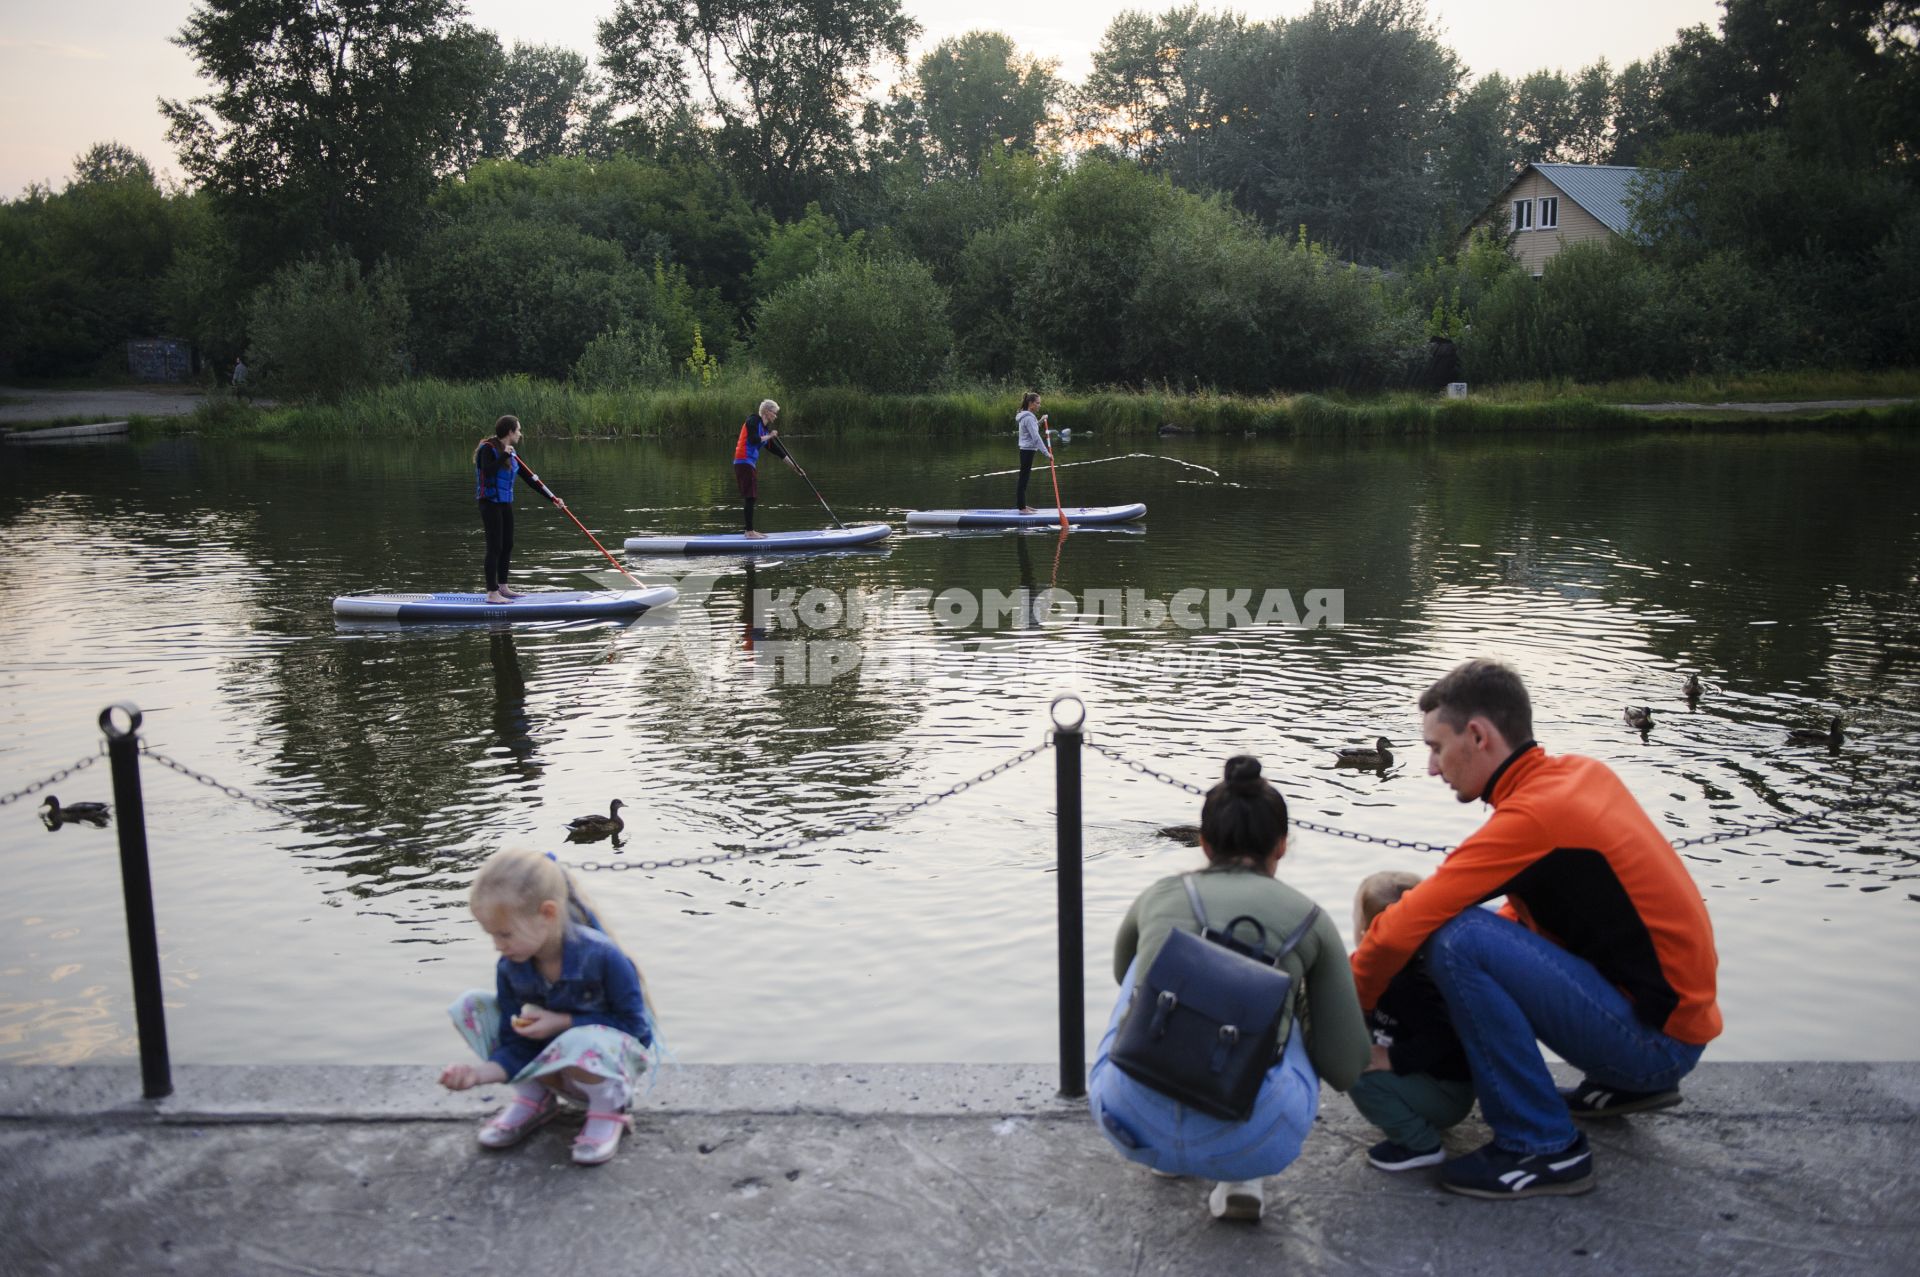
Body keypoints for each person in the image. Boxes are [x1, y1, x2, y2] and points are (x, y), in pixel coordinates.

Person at [1351, 658, 1722, 1199]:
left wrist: (1348, 1008)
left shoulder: (1536, 816)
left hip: (1655, 1047)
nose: (1432, 767)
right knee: (1476, 935)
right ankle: (1620, 1087)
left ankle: (1541, 1145)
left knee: (1454, 939)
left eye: (1435, 747)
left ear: (1477, 735)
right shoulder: (1576, 776)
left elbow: (1404, 923)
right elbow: (1537, 922)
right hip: (1670, 1030)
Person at [1089, 756, 1369, 1222]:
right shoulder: (1309, 920)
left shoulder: (1160, 894)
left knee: (1146, 963)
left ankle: (1164, 1149)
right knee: (1285, 993)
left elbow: (1124, 976)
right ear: (1281, 846)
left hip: (1128, 1121)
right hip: (1256, 1138)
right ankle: (1241, 1177)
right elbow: (1345, 1066)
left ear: (1203, 843)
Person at [439, 849, 655, 1166]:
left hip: (604, 1069)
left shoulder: (603, 957)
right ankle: (535, 1097)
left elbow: (638, 1032)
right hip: (547, 1065)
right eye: (492, 935)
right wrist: (476, 1075)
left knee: (579, 1038)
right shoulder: (511, 966)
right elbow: (513, 1041)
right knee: (470, 1006)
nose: (498, 945)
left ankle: (609, 1110)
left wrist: (564, 1022)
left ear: (548, 914)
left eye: (505, 933)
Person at [1346, 871, 1475, 1172]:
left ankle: (1419, 1143)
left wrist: (1391, 1058)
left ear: (1367, 930)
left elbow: (1444, 1036)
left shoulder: (1412, 985)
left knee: (1354, 1073)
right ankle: (1411, 1110)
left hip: (1447, 1092)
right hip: (1432, 1080)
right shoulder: (1405, 969)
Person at [474, 415, 563, 604]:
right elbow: (487, 471)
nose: (520, 434)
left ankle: (503, 587)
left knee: (508, 544)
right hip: (489, 503)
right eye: (519, 430)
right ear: (510, 432)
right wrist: (504, 455)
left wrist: (552, 498)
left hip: (505, 503)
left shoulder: (513, 454)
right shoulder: (487, 449)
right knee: (494, 546)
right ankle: (492, 593)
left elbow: (531, 479)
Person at [733, 398, 803, 539]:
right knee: (750, 497)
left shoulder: (764, 430)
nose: (775, 416)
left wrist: (795, 468)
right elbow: (753, 439)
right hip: (743, 462)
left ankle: (749, 530)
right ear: (766, 412)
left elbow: (779, 453)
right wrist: (770, 436)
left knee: (751, 497)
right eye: (774, 413)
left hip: (748, 464)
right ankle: (749, 532)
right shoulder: (753, 420)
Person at [1014, 391, 1051, 515]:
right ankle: (1022, 508)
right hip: (1027, 451)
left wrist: (1040, 420)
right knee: (1023, 479)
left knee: (1024, 478)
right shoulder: (1029, 417)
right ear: (1031, 403)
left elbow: (1033, 428)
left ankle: (1022, 505)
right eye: (1038, 403)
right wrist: (1047, 454)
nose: (1039, 405)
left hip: (1026, 450)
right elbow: (1036, 438)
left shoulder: (1026, 416)